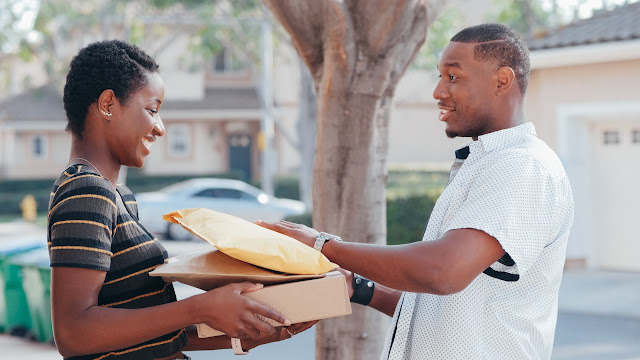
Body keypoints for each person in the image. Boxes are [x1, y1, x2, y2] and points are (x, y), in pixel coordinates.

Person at [258, 23, 574, 360]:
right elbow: (442, 314)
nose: (439, 92)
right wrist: (359, 287)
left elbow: (443, 271)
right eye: (440, 77)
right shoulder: (488, 164)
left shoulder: (522, 166)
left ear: (502, 80)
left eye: (453, 77)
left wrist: (322, 246)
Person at [48, 40, 314, 360]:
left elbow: (151, 335)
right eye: (152, 109)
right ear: (107, 104)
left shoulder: (118, 196)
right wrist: (199, 307)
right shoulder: (86, 192)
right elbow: (74, 334)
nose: (160, 128)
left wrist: (245, 332)